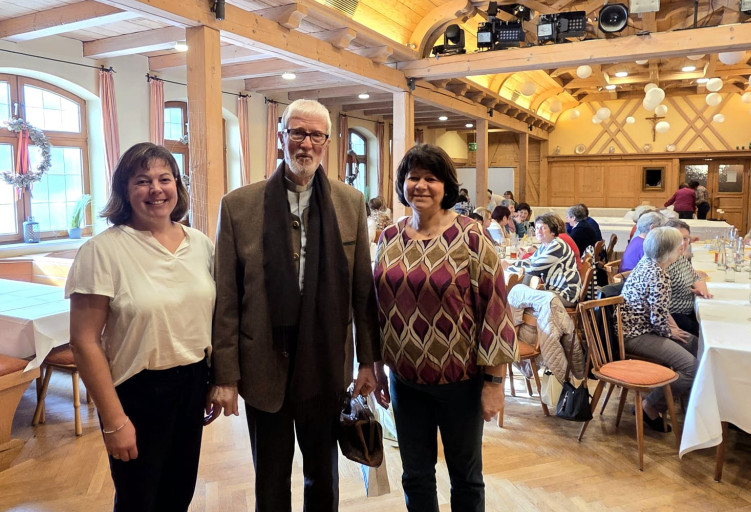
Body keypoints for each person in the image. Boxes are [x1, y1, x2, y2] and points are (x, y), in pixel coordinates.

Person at [209, 99, 380, 512]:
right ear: (281, 137)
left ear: (326, 142)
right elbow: (227, 301)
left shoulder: (349, 202)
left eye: (315, 135)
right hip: (264, 368)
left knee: (323, 476)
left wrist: (368, 362)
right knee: (270, 479)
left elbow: (361, 291)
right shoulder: (238, 206)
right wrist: (226, 377)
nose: (306, 144)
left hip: (325, 367)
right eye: (297, 133)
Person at [66, 143, 215, 512]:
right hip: (137, 391)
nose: (155, 189)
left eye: (165, 179)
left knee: (178, 494)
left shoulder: (200, 244)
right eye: (142, 181)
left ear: (177, 187)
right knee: (137, 500)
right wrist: (114, 420)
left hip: (193, 382)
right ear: (124, 190)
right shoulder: (101, 251)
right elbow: (84, 342)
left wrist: (215, 381)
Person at [373, 144, 516, 512]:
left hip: (461, 383)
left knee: (465, 477)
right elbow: (376, 305)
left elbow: (495, 311)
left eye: (430, 178)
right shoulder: (389, 238)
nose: (420, 185)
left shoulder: (471, 236)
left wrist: (495, 384)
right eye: (413, 177)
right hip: (405, 381)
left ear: (445, 185)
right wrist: (375, 364)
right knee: (415, 475)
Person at [620, 227, 699, 432]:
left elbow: (659, 311)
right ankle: (650, 406)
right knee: (692, 367)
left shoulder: (648, 263)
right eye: (679, 244)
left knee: (696, 344)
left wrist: (672, 329)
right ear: (669, 250)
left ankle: (697, 404)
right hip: (637, 334)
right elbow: (657, 318)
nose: (683, 247)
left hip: (640, 327)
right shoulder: (659, 275)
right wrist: (670, 331)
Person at [512, 212, 582, 308]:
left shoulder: (557, 245)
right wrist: (510, 265)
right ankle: (518, 319)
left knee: (519, 293)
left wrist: (510, 269)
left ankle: (518, 320)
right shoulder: (546, 245)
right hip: (553, 290)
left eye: (543, 228)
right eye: (536, 228)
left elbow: (534, 268)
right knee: (520, 291)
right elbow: (530, 260)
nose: (538, 232)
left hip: (566, 294)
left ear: (552, 231)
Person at [664, 219, 712, 337]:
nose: (682, 243)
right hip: (673, 315)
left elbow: (696, 278)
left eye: (685, 238)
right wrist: (673, 328)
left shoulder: (680, 257)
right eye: (677, 238)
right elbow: (657, 305)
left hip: (688, 310)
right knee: (708, 332)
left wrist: (702, 291)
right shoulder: (664, 261)